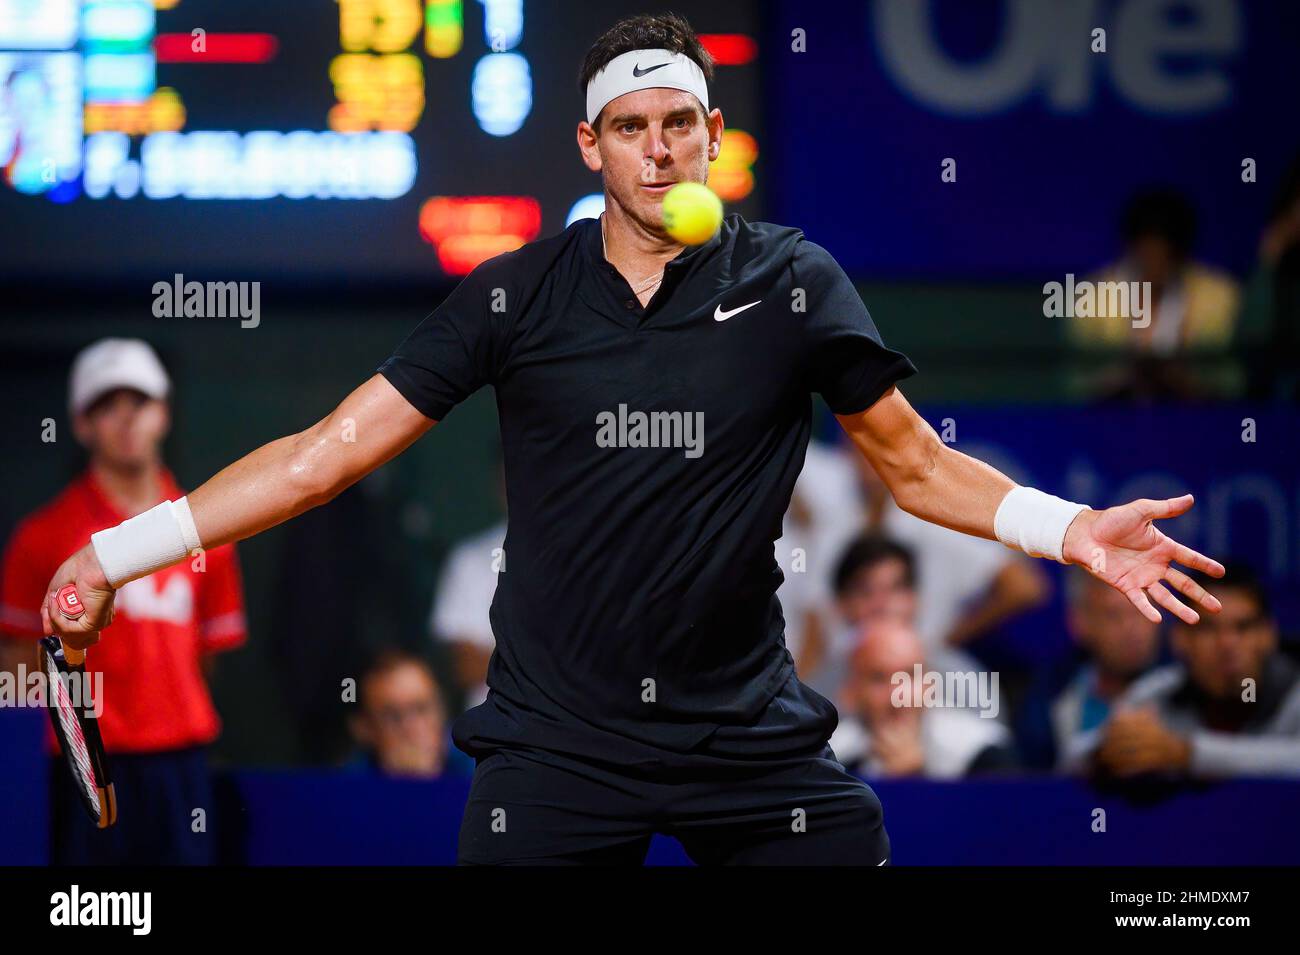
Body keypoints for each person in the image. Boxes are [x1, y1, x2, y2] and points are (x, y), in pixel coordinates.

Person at [41, 14, 1223, 866]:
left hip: (743, 729)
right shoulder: (512, 295)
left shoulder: (793, 282)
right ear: (588, 147)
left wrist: (1067, 527)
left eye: (677, 125)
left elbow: (913, 463)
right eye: (629, 128)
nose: (657, 151)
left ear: (713, 135)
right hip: (555, 742)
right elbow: (323, 455)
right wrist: (116, 552)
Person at [0, 339, 246, 864]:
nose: (126, 419)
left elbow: (209, 656)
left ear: (164, 413)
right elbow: (17, 661)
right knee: (91, 912)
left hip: (180, 759)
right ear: (81, 424)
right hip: (82, 759)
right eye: (106, 405)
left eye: (139, 402)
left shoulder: (211, 531)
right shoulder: (41, 537)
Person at [1068, 564, 1300, 780]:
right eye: (1209, 628)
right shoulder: (1160, 691)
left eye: (1243, 627)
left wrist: (1187, 754)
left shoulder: (1294, 693)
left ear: (1269, 635)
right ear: (1181, 638)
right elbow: (1072, 757)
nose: (1227, 644)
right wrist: (1107, 751)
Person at [829, 621, 1017, 779]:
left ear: (930, 685)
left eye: (910, 675)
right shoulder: (829, 759)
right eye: (878, 678)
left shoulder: (982, 753)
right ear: (851, 690)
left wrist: (916, 782)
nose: (898, 695)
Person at [1015, 570, 1163, 771]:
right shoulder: (1050, 695)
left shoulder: (1188, 685)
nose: (1132, 629)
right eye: (1114, 615)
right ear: (1080, 622)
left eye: (1143, 611)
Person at [346, 649, 472, 778]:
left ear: (442, 711)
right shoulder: (344, 787)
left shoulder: (480, 770)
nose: (412, 727)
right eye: (393, 716)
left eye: (422, 709)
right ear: (364, 729)